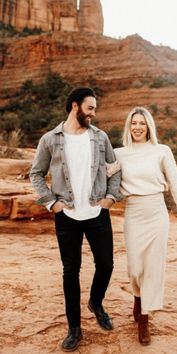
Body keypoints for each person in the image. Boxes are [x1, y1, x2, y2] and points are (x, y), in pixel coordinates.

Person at [30, 87, 122, 352]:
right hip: (67, 214)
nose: (94, 113)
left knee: (106, 264)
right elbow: (36, 173)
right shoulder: (50, 139)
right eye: (90, 108)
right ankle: (75, 328)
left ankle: (96, 301)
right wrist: (51, 202)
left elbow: (114, 168)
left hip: (97, 213)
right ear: (74, 106)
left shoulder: (100, 137)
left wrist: (110, 197)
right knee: (71, 271)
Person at [114, 107, 177, 345]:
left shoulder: (162, 151)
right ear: (128, 126)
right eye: (134, 123)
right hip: (134, 211)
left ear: (149, 126)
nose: (138, 127)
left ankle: (144, 318)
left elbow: (176, 183)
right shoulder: (119, 154)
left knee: (153, 266)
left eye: (142, 123)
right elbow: (109, 185)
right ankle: (137, 297)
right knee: (135, 267)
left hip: (157, 212)